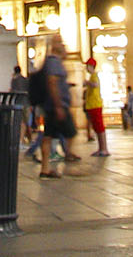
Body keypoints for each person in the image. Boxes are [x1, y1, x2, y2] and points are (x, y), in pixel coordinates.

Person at [35, 34, 77, 177]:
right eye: (59, 42)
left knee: (48, 136)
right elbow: (52, 83)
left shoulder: (55, 61)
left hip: (52, 105)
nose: (62, 44)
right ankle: (68, 154)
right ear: (53, 45)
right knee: (71, 131)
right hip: (57, 105)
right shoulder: (53, 62)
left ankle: (45, 169)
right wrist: (58, 105)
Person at [81, 59, 110, 156]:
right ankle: (101, 148)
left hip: (95, 105)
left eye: (87, 66)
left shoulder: (94, 76)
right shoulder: (92, 76)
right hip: (92, 105)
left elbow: (95, 85)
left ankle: (104, 149)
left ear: (91, 66)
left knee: (99, 127)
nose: (86, 68)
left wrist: (87, 83)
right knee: (97, 128)